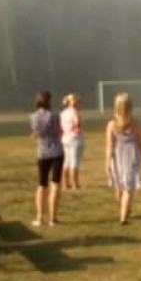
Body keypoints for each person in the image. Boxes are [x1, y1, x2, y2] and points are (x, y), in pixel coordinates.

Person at [106, 93, 141, 225]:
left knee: (120, 187)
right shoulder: (137, 124)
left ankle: (124, 212)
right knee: (128, 188)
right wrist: (139, 159)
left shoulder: (112, 125)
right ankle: (124, 216)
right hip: (131, 157)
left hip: (117, 158)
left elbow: (109, 146)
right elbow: (140, 144)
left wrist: (107, 164)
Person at [30, 91, 65, 227]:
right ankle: (53, 219)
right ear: (48, 101)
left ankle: (39, 217)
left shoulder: (33, 117)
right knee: (55, 184)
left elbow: (36, 134)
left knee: (41, 185)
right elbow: (60, 131)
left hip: (42, 152)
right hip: (56, 151)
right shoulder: (55, 116)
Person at [60, 93, 85, 190]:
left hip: (65, 138)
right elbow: (78, 123)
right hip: (75, 138)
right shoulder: (75, 112)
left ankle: (65, 184)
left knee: (66, 161)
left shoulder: (63, 112)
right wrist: (77, 127)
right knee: (75, 162)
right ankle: (75, 184)